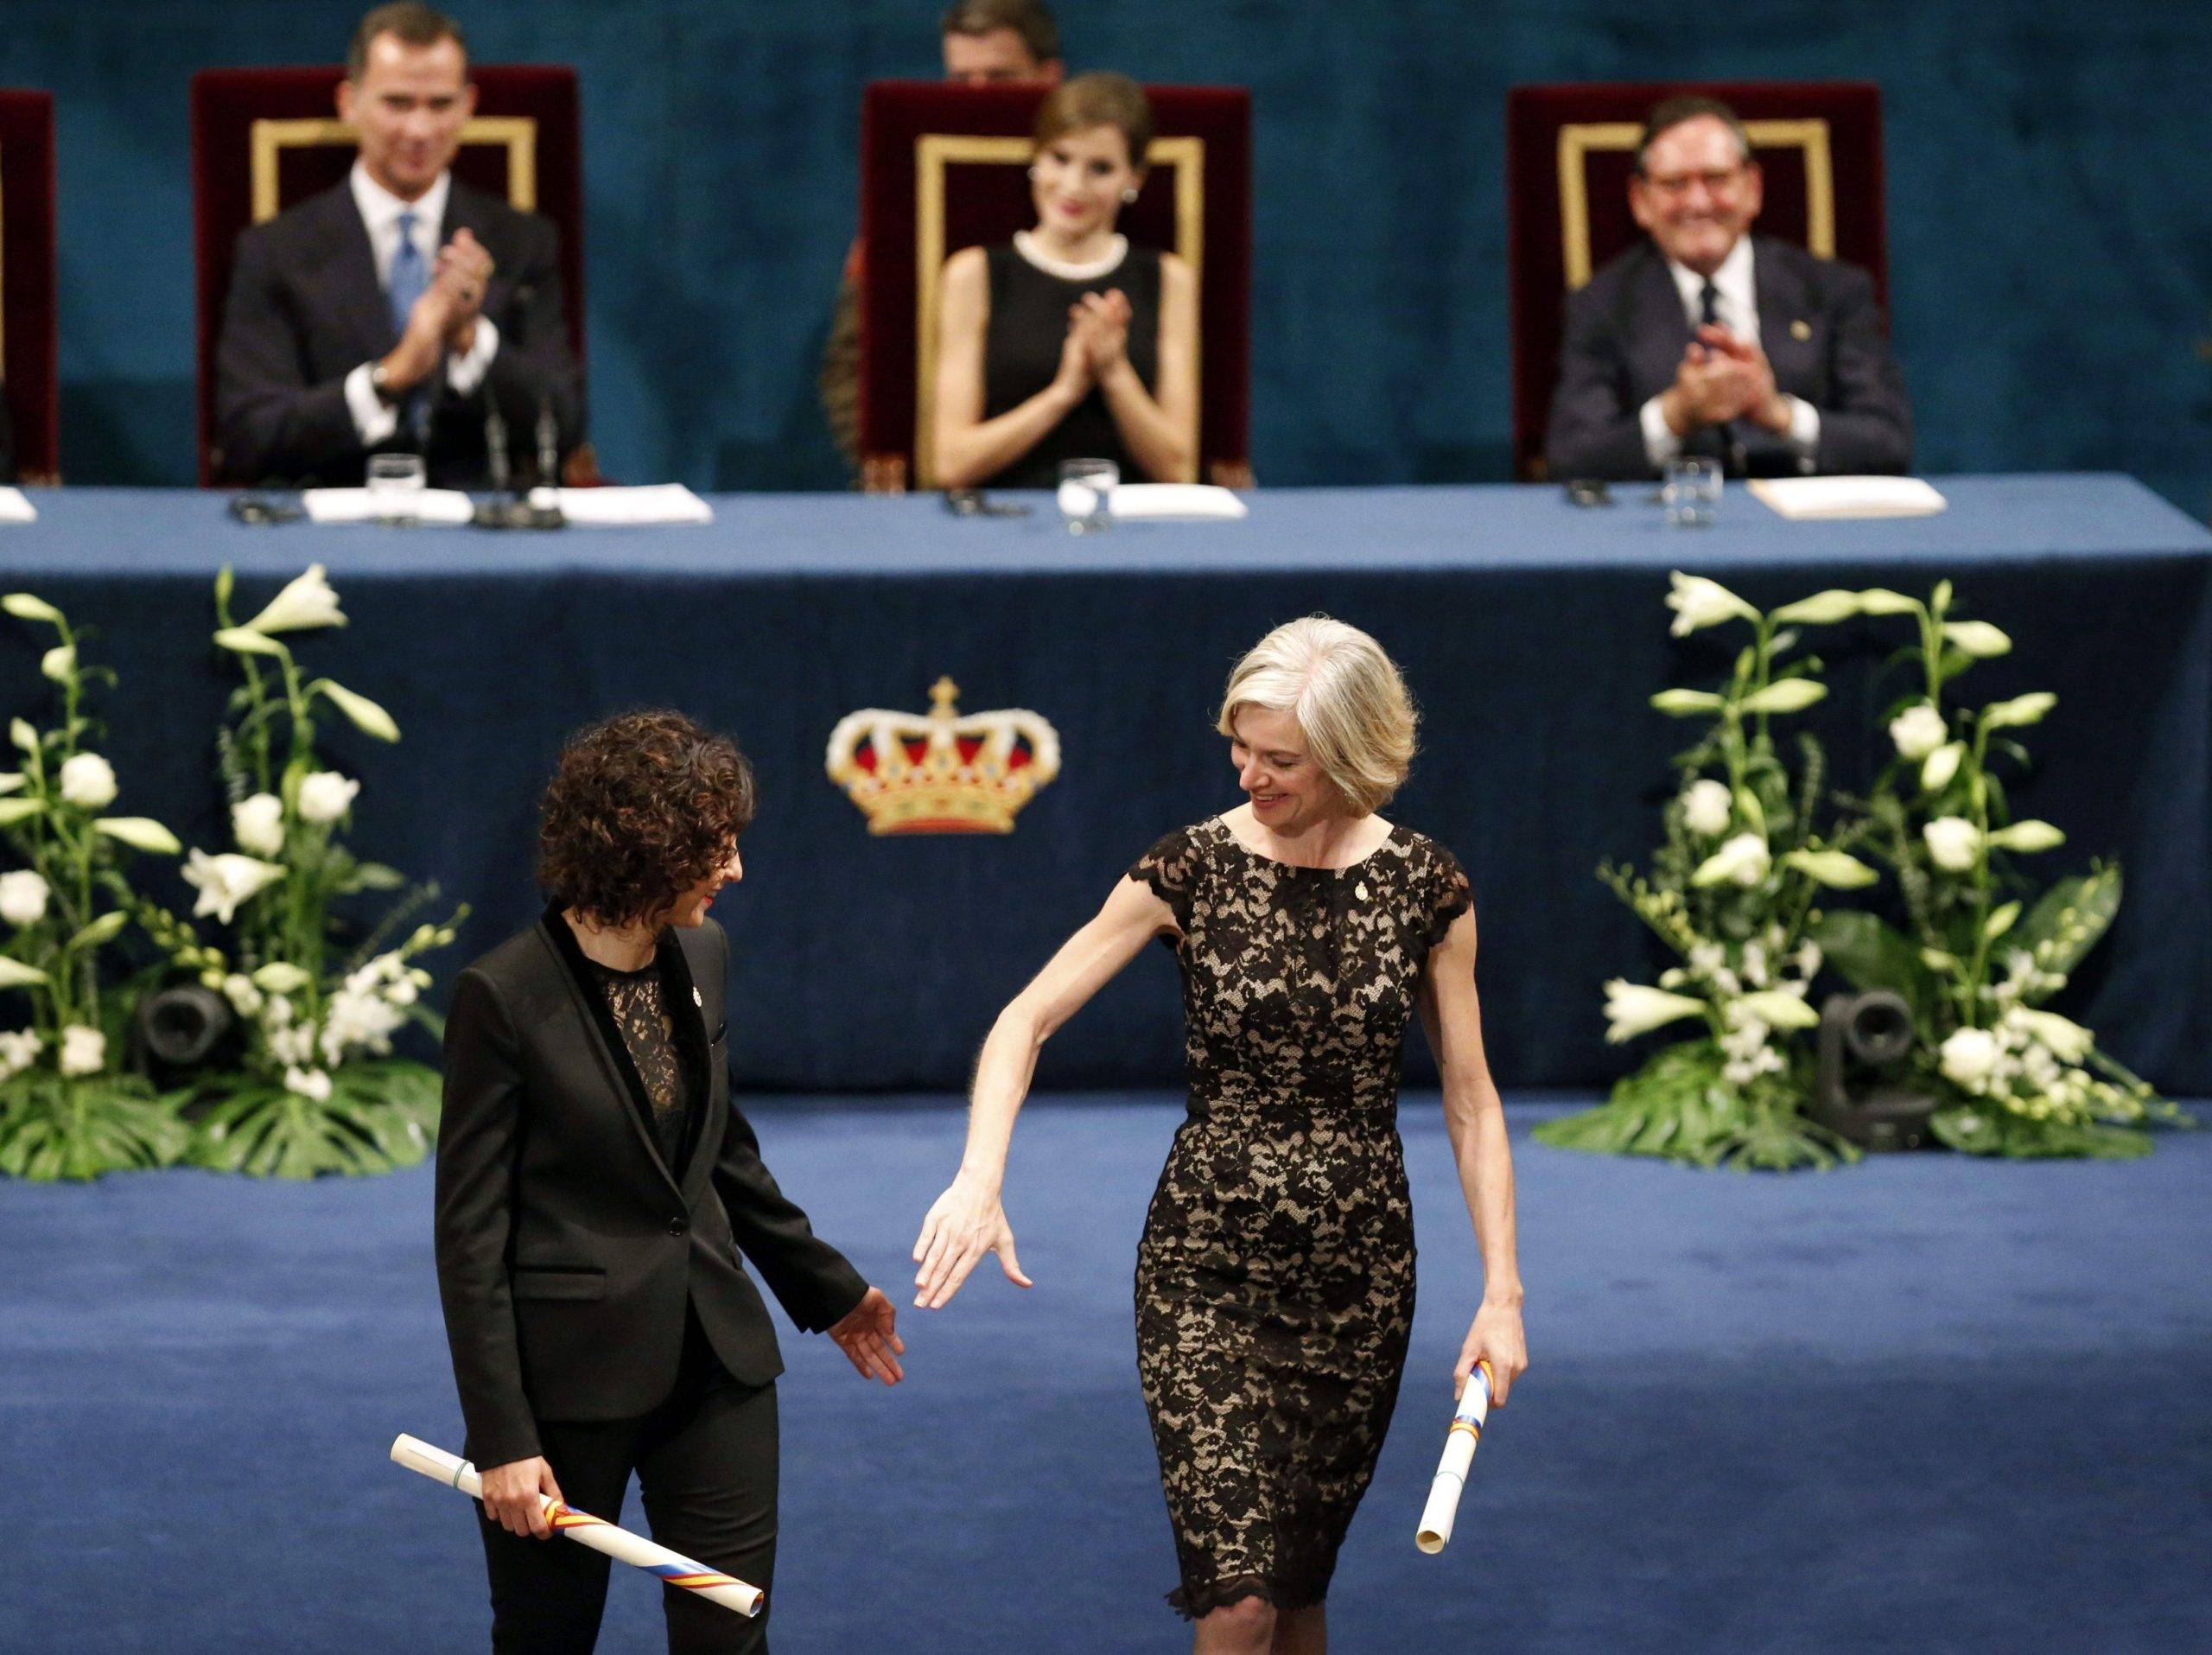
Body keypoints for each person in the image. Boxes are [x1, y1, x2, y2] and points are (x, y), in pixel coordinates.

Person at [912, 618, 1529, 1652]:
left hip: (1359, 1282)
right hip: (1207, 1272)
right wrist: (980, 1177)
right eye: (1238, 747)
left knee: (1296, 1589)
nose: (1249, 773)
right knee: (1238, 1596)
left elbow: (1471, 1102)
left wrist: (1501, 1292)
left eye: (1278, 758)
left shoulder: (1428, 886)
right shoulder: (1188, 869)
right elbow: (1026, 1017)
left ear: (1350, 752)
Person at [435, 710, 904, 1653]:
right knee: (546, 1635)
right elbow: (471, 1233)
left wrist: (828, 1287)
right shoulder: (503, 996)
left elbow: (722, 1154)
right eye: (715, 849)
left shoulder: (704, 956)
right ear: (643, 853)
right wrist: (502, 1437)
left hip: (718, 1360)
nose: (735, 871)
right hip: (567, 1386)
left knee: (728, 1636)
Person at [214, 3, 582, 489]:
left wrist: (472, 340)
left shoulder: (521, 243)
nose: (420, 131)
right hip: (333, 523)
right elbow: (248, 436)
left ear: (469, 104)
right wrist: (388, 377)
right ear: (349, 103)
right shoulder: (275, 250)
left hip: (482, 525)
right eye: (398, 103)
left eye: (440, 104)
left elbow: (565, 424)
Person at [1545, 95, 1911, 481]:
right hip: (1664, 528)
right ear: (1640, 201)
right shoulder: (1600, 305)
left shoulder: (1835, 291)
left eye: (1716, 179)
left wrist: (1779, 414)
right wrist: (1675, 414)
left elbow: (1889, 443)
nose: (1698, 202)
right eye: (1674, 184)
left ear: (1753, 188)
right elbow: (1571, 456)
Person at [818, 0, 1065, 481]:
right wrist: (881, 450)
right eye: (961, 81)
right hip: (928, 488)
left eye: (1000, 79)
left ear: (1049, 77)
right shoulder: (906, 200)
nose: (976, 98)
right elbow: (852, 357)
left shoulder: (1101, 191)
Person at [931, 73, 1197, 489]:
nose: (1074, 187)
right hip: (1003, 522)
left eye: (1101, 169)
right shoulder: (975, 273)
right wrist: (1063, 393)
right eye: (1060, 158)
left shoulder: (1167, 279)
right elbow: (950, 464)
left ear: (1135, 178)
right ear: (1036, 158)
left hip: (1132, 527)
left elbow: (1178, 470)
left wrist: (1113, 373)